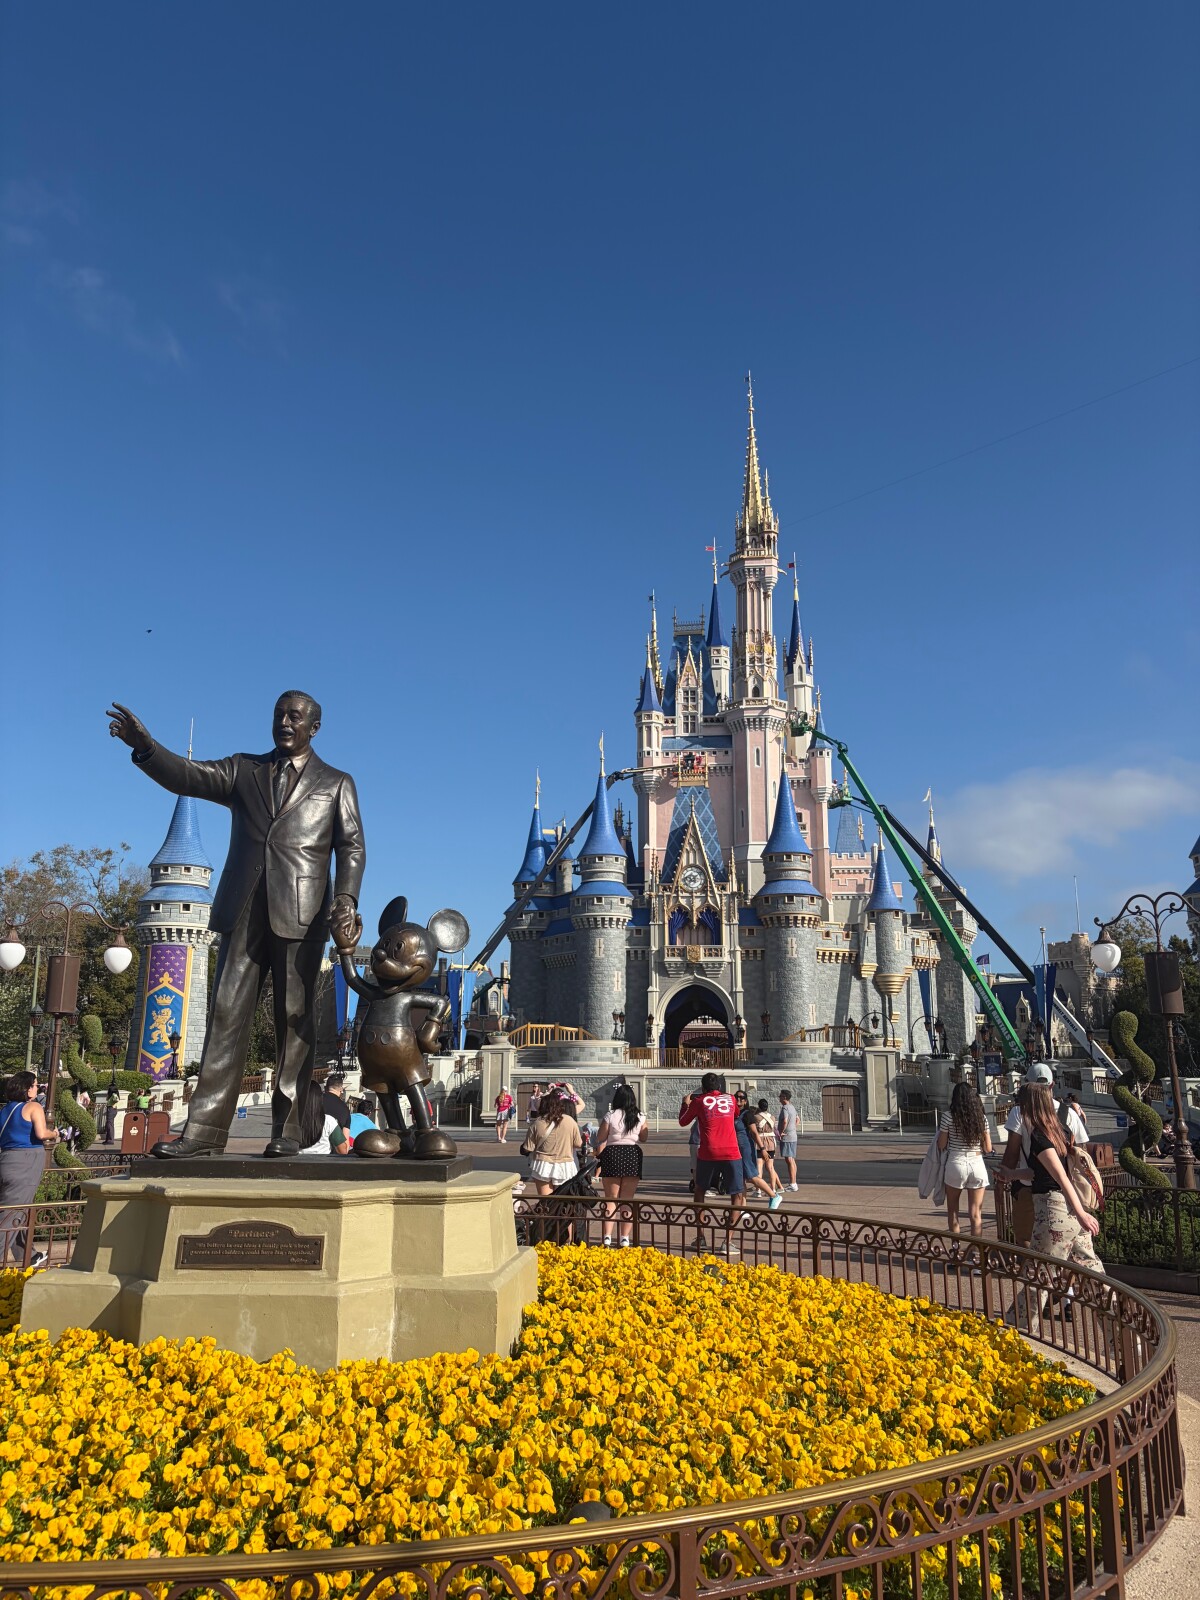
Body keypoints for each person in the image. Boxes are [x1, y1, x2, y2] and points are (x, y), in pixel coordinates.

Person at [1007, 1082, 1102, 1319]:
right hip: (1071, 1212)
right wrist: (1011, 1175)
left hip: (1054, 1212)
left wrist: (1081, 1213)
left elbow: (1060, 1178)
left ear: (1029, 1105)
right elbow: (1040, 1173)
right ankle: (1121, 1332)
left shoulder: (1039, 1136)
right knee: (1095, 1278)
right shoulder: (1061, 1131)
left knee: (1038, 1277)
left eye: (1021, 1103)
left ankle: (1014, 1330)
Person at [997, 1064, 1087, 1246]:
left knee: (1026, 1240)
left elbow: (1012, 1153)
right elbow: (1082, 1151)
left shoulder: (1019, 1112)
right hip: (1067, 1192)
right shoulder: (1069, 1113)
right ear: (1052, 1085)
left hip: (1029, 1187)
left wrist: (1003, 1178)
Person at [679, 1073, 745, 1253]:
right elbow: (736, 1114)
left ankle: (701, 1237)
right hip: (731, 1151)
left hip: (708, 1151)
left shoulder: (699, 1101)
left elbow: (683, 1121)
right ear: (719, 1087)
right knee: (737, 1194)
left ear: (703, 1088)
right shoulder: (730, 1099)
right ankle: (728, 1241)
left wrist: (685, 1104)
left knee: (700, 1190)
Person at [0, 1072, 56, 1267]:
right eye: (35, 1084)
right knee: (11, 1214)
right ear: (28, 1088)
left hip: (6, 1158)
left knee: (19, 1209)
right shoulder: (33, 1106)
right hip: (26, 1162)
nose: (37, 1088)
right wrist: (54, 1133)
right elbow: (41, 1133)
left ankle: (28, 1255)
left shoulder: (5, 1110)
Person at [936, 1081, 993, 1235]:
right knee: (976, 1214)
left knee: (953, 1211)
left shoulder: (948, 1117)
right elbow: (988, 1148)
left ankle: (956, 1248)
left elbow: (941, 1144)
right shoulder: (981, 1118)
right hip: (977, 1163)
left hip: (956, 1162)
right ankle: (976, 1248)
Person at [595, 1084, 648, 1245]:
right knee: (627, 1199)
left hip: (612, 1154)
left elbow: (600, 1137)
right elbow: (644, 1138)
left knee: (611, 1199)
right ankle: (625, 1238)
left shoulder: (610, 1115)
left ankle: (607, 1237)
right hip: (632, 1154)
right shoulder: (640, 1116)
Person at [527, 1089, 583, 1196]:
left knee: (546, 1201)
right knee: (563, 1200)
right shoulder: (569, 1120)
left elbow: (528, 1147)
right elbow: (578, 1144)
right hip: (565, 1164)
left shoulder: (538, 1122)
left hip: (543, 1164)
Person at [734, 1091, 784, 1209]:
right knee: (741, 1179)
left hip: (746, 1148)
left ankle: (774, 1195)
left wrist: (762, 1149)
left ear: (746, 1101)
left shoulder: (747, 1114)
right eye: (736, 1097)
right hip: (736, 1149)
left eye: (742, 1098)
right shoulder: (734, 1114)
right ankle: (743, 1208)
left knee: (751, 1176)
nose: (738, 1100)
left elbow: (755, 1133)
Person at [298, 1081, 349, 1154]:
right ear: (320, 1098)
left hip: (297, 1160)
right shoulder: (329, 1121)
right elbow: (343, 1151)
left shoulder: (292, 1121)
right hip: (323, 1160)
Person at [751, 1097, 783, 1195]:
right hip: (771, 1143)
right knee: (771, 1167)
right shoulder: (772, 1117)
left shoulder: (756, 1117)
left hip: (760, 1143)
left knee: (759, 1166)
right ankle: (773, 1189)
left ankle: (758, 1190)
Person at [777, 1090, 799, 1191]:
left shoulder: (785, 1108)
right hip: (793, 1136)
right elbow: (797, 1119)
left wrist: (781, 1132)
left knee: (789, 1159)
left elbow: (785, 1121)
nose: (779, 1098)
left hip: (787, 1137)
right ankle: (793, 1182)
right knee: (791, 1159)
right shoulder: (792, 1107)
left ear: (784, 1097)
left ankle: (793, 1184)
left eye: (780, 1096)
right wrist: (793, 1128)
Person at [322, 1072, 353, 1141]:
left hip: (313, 1144)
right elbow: (345, 1139)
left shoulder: (316, 1101)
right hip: (334, 1146)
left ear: (326, 1087)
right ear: (341, 1089)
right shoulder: (345, 1108)